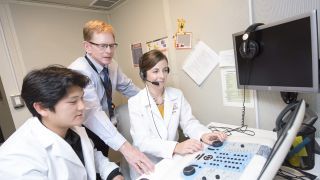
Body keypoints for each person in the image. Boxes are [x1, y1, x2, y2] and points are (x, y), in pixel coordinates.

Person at [0, 65, 123, 180]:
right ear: (41, 108)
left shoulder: (73, 128)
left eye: (82, 98)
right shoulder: (16, 157)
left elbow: (92, 155)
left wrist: (113, 173)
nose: (82, 106)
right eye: (73, 101)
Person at [69, 20, 154, 175]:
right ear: (87, 46)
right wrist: (126, 148)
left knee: (103, 166)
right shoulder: (79, 71)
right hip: (84, 127)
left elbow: (127, 87)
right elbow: (92, 112)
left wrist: (151, 100)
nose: (108, 51)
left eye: (112, 45)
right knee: (89, 169)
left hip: (105, 124)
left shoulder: (111, 64)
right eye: (102, 46)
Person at [128, 49, 227, 178]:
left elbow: (189, 123)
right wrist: (176, 147)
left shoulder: (176, 95)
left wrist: (203, 134)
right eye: (155, 71)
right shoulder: (135, 103)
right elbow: (142, 141)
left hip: (172, 159)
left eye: (165, 70)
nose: (162, 76)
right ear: (143, 75)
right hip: (148, 165)